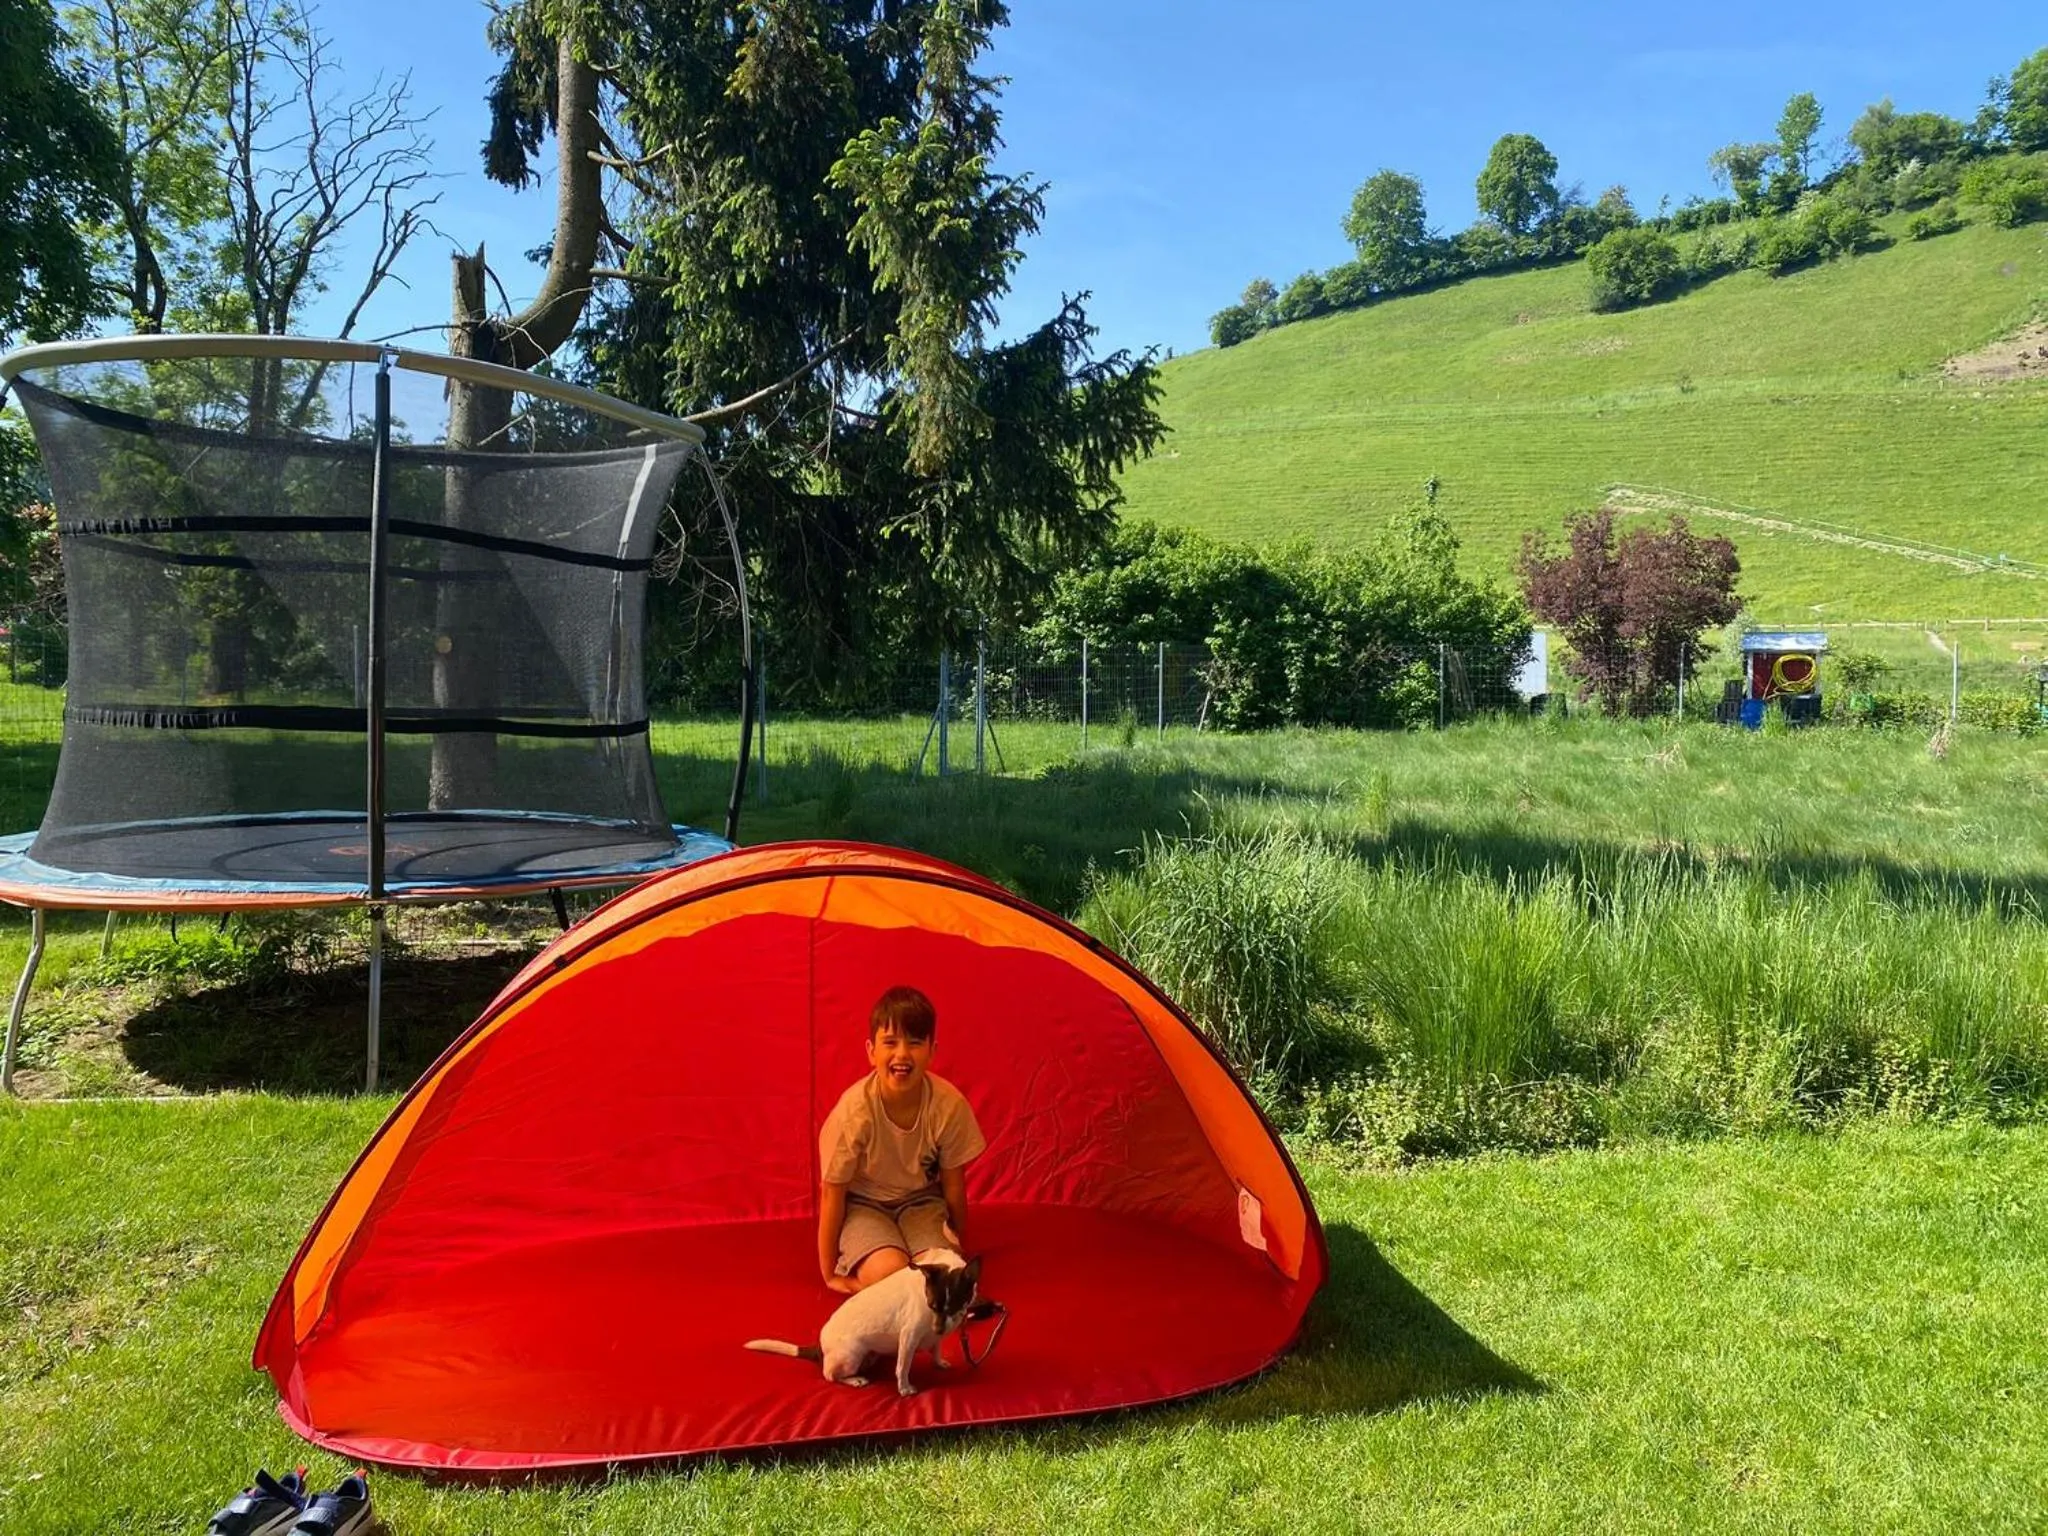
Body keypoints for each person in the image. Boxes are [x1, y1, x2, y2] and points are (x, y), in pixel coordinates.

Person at [817, 985, 985, 1295]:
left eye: (915, 1042)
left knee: (946, 1275)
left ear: (932, 1050)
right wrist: (829, 1273)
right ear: (871, 1051)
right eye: (890, 1043)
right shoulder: (853, 1113)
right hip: (864, 1206)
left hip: (922, 1203)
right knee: (890, 1275)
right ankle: (877, 1261)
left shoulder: (948, 1106)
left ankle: (931, 1260)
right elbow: (832, 1192)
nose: (902, 1054)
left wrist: (956, 1243)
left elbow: (954, 1185)